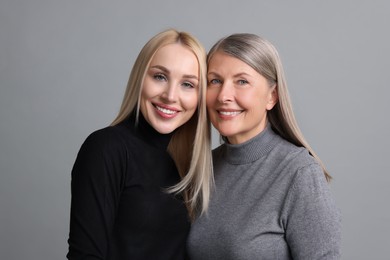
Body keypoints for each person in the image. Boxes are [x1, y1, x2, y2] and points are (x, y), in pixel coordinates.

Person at [187, 33, 341, 259]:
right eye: (215, 81)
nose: (223, 96)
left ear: (272, 96)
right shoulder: (202, 168)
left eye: (242, 81)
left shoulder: (299, 174)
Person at [67, 29, 213, 260]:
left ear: (200, 96)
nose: (170, 96)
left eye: (187, 84)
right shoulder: (107, 148)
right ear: (139, 78)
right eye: (159, 77)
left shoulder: (192, 165)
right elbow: (85, 255)